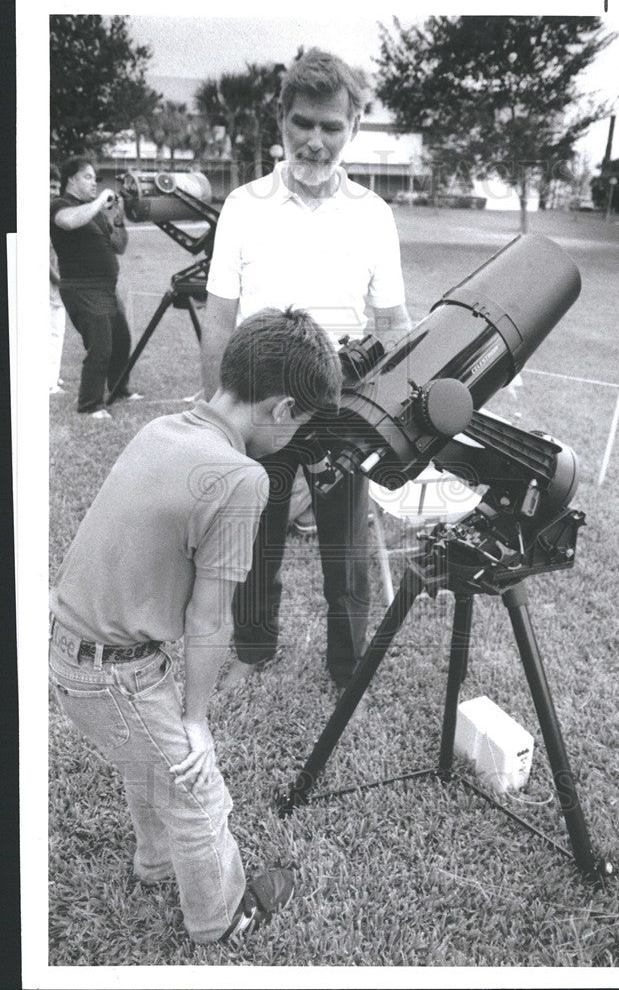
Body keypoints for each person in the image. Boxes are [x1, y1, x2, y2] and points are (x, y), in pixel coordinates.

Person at [49, 306, 342, 944]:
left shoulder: (164, 427)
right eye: (305, 422)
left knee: (146, 764)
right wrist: (196, 718)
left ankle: (154, 865)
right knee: (198, 790)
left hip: (72, 657)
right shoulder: (242, 477)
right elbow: (210, 615)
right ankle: (221, 920)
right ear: (284, 409)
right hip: (114, 672)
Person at [201, 48, 410, 690]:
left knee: (345, 549)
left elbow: (395, 325)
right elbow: (218, 319)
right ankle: (254, 646)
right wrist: (220, 417)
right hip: (261, 401)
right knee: (255, 537)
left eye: (332, 127)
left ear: (353, 127)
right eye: (303, 124)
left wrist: (390, 416)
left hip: (342, 403)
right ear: (282, 121)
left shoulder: (375, 215)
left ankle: (348, 665)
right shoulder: (243, 205)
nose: (316, 142)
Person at [50, 156, 142, 418]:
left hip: (106, 288)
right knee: (100, 344)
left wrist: (119, 221)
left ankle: (119, 389)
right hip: (81, 288)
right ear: (71, 180)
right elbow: (69, 222)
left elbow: (119, 246)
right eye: (87, 177)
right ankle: (90, 404)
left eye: (94, 178)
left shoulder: (95, 212)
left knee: (121, 339)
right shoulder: (60, 205)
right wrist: (100, 201)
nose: (93, 183)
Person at [49, 165, 66, 395]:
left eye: (56, 187)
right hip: (49, 282)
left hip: (54, 280)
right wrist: (60, 280)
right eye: (50, 186)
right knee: (52, 330)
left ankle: (52, 375)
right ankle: (49, 382)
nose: (54, 191)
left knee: (55, 330)